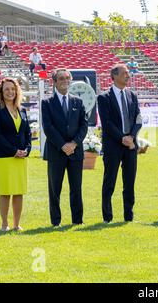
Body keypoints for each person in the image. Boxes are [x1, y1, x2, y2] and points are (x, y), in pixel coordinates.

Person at [41, 68, 88, 227]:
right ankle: (56, 221)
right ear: (54, 82)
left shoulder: (78, 101)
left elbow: (84, 125)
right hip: (56, 152)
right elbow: (48, 127)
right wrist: (62, 145)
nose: (65, 81)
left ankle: (77, 220)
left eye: (68, 78)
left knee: (76, 188)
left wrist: (74, 143)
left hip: (76, 152)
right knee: (55, 189)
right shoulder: (47, 103)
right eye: (61, 78)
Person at [97, 64, 142, 223]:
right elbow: (107, 122)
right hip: (113, 145)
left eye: (128, 73)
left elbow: (138, 119)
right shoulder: (104, 97)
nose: (128, 76)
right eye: (124, 73)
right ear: (114, 76)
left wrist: (131, 137)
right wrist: (122, 137)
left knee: (129, 182)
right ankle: (107, 217)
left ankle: (128, 216)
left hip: (130, 145)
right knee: (110, 181)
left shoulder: (132, 95)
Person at [0, 78, 32, 232]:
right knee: (6, 192)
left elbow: (27, 133)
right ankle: (4, 224)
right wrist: (13, 151)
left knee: (19, 192)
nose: (10, 92)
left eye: (12, 89)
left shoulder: (23, 110)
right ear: (1, 92)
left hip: (21, 157)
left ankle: (16, 224)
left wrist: (27, 149)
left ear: (17, 91)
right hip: (5, 157)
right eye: (6, 89)